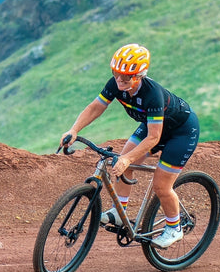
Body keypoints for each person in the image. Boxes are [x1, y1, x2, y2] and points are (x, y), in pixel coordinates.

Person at [58, 43, 200, 248]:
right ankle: (119, 212)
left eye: (126, 77)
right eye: (116, 74)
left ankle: (174, 227)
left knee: (161, 185)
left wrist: (127, 159)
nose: (119, 80)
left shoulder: (152, 95)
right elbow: (96, 106)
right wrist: (74, 130)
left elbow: (154, 137)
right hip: (153, 126)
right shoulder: (116, 83)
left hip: (181, 132)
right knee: (122, 165)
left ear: (139, 76)